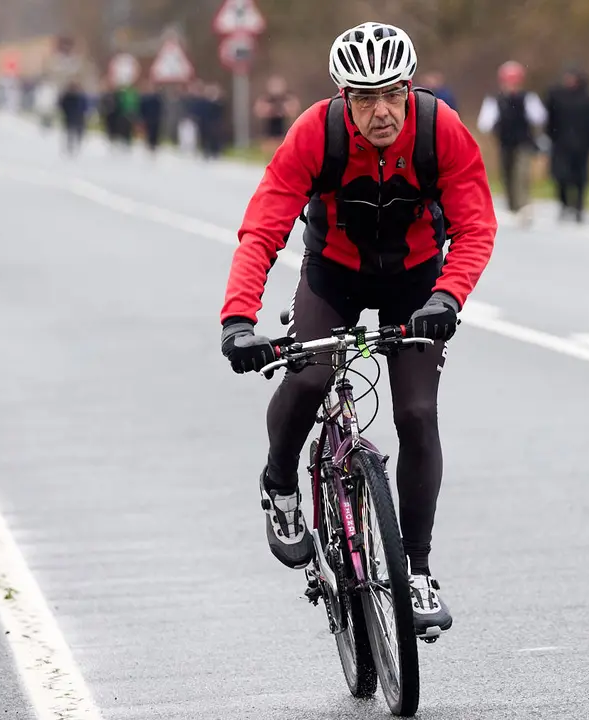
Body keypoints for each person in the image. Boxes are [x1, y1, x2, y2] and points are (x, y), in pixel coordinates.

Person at [218, 21, 497, 637]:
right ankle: (280, 482)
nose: (380, 111)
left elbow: (476, 225)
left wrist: (448, 296)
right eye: (364, 98)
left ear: (410, 89)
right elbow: (263, 229)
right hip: (334, 275)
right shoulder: (315, 133)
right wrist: (238, 320)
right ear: (344, 99)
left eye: (391, 93)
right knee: (310, 376)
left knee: (418, 414)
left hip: (416, 282)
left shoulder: (438, 129)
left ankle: (417, 572)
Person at [477, 61, 546, 227]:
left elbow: (539, 117)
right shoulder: (495, 100)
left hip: (523, 143)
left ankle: (524, 206)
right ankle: (514, 206)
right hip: (504, 143)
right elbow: (484, 123)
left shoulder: (528, 98)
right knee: (507, 174)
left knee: (521, 175)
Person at [543, 65, 589, 223]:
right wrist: (548, 137)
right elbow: (549, 118)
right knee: (561, 176)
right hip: (560, 143)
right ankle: (564, 204)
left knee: (581, 178)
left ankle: (579, 208)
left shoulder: (587, 97)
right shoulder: (556, 96)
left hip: (582, 144)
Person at [253, 75, 301, 155]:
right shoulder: (266, 99)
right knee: (270, 151)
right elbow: (258, 110)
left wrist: (286, 110)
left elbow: (295, 110)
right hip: (269, 129)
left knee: (282, 150)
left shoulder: (287, 98)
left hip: (283, 128)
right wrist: (269, 111)